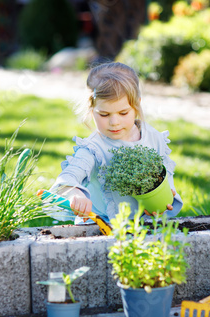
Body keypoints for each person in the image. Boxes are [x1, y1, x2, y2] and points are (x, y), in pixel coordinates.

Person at [47, 62, 182, 223]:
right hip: (100, 225)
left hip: (143, 223)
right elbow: (66, 179)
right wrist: (75, 193)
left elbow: (165, 173)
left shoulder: (152, 137)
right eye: (104, 114)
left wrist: (163, 198)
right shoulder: (93, 148)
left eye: (123, 113)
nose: (114, 122)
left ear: (137, 104)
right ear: (91, 110)